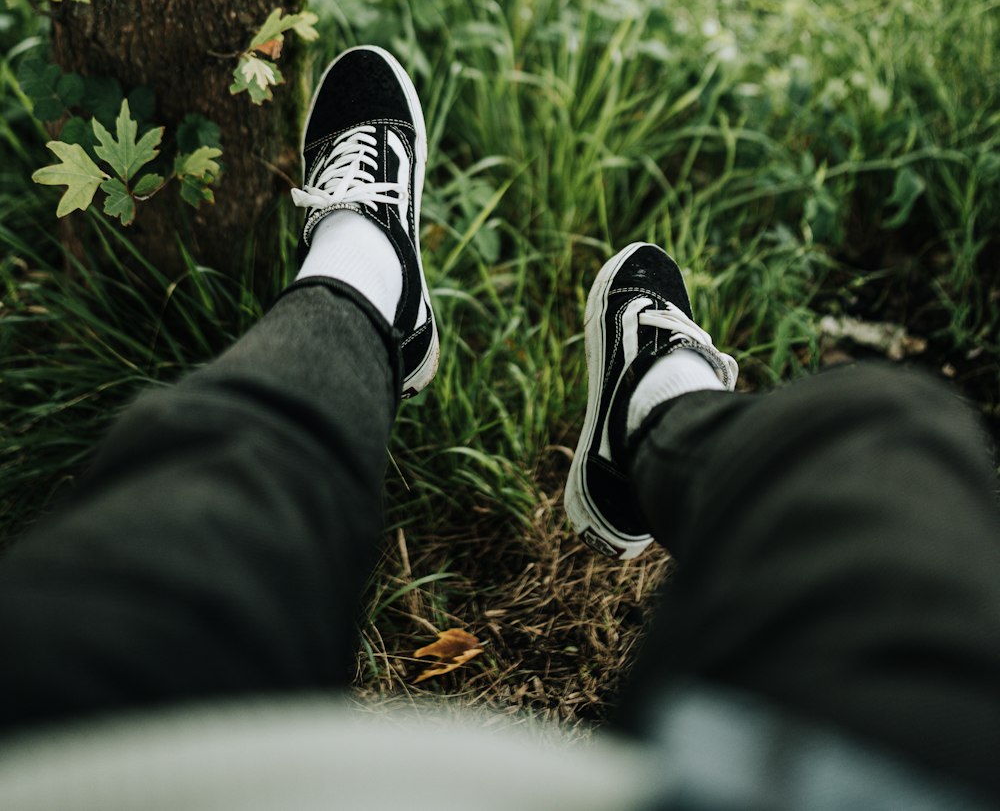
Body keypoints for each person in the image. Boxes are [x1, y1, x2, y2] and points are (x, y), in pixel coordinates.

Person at [0, 45, 998, 810]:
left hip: (94, 747)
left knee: (219, 476)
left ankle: (363, 274)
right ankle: (649, 416)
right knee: (888, 433)